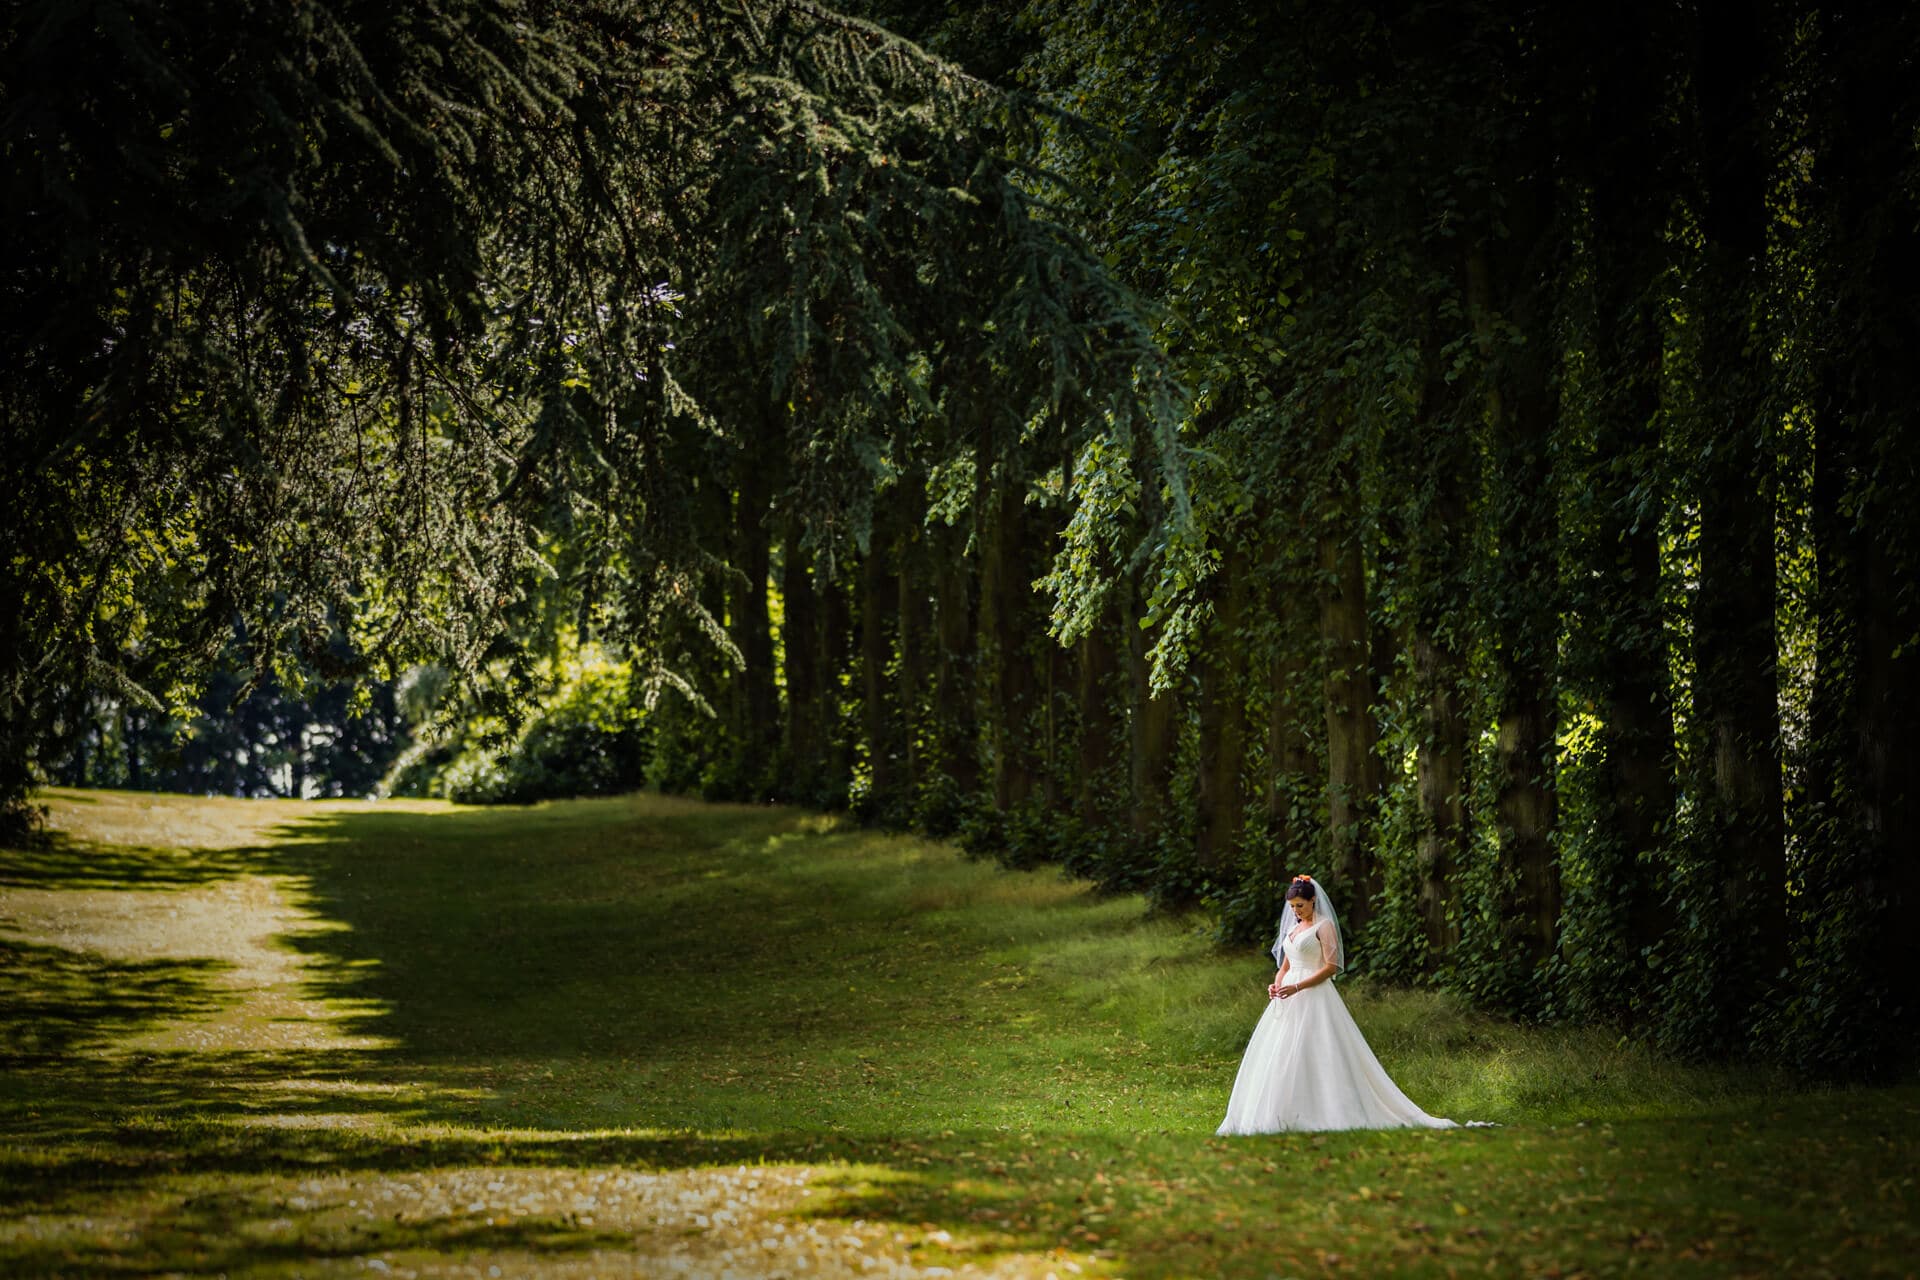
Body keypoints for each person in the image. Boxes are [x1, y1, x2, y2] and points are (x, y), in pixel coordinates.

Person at [1217, 874, 1460, 1134]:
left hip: (1314, 992)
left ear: (1313, 901)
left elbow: (1332, 967)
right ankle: (1280, 1110)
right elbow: (1285, 965)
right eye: (1292, 907)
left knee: (1318, 1047)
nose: (1296, 911)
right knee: (1281, 1050)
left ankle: (1327, 1107)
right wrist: (1276, 985)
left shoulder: (1324, 926)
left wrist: (1298, 986)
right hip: (1288, 995)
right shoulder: (1293, 928)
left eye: (1300, 905)